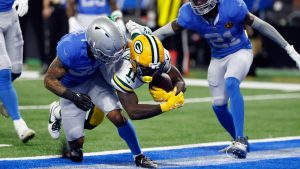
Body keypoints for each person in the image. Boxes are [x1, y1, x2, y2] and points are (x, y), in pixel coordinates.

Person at [147, 0, 300, 158]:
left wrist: (290, 50)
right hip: (218, 57)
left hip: (240, 50)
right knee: (218, 105)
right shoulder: (188, 14)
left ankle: (240, 139)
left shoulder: (232, 6)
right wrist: (141, 43)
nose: (199, 2)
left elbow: (261, 25)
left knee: (231, 81)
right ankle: (239, 141)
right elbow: (164, 32)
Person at [44, 16, 158, 168]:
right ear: (93, 47)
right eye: (108, 55)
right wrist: (73, 96)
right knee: (76, 151)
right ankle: (58, 112)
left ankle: (139, 156)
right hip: (72, 87)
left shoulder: (115, 39)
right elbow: (49, 80)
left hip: (95, 80)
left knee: (117, 116)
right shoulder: (71, 49)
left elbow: (130, 47)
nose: (114, 58)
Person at [0, 0, 35, 143]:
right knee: (3, 73)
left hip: (11, 14)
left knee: (16, 70)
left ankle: (5, 101)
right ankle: (20, 125)